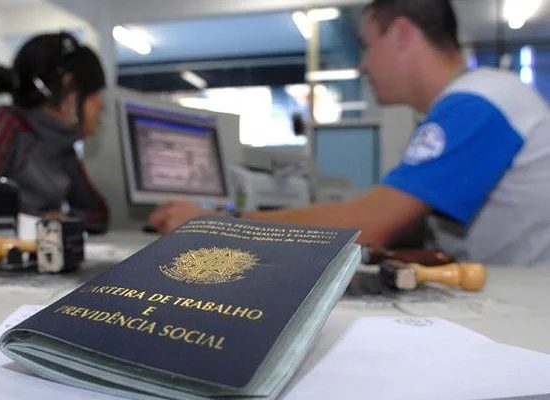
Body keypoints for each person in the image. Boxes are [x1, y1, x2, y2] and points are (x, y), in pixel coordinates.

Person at [148, 0, 550, 266]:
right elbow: (399, 223)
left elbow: (369, 224)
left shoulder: (478, 103)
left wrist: (215, 224)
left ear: (403, 35)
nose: (362, 67)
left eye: (366, 46)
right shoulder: (481, 98)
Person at [0, 32, 109, 236]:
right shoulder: (3, 125)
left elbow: (98, 214)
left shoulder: (63, 146)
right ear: (69, 89)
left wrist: (61, 222)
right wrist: (39, 224)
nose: (100, 103)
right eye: (95, 92)